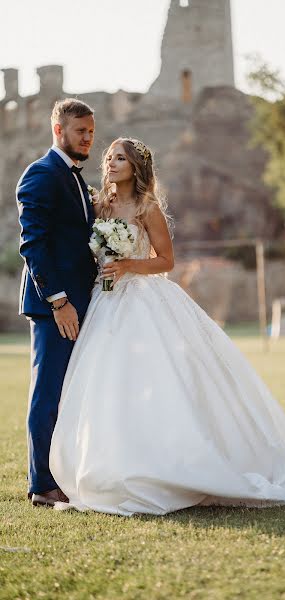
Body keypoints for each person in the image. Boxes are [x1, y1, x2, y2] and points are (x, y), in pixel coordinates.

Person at [49, 137, 285, 516]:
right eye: (109, 157)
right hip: (105, 302)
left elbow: (166, 261)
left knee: (164, 379)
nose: (111, 163)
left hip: (142, 300)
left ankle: (172, 463)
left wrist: (128, 265)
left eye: (121, 158)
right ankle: (110, 466)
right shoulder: (100, 203)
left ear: (136, 167)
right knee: (109, 382)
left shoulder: (147, 208)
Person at [17, 99, 97, 506]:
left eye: (90, 132)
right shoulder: (41, 174)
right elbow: (33, 245)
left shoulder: (76, 179)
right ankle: (43, 485)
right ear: (58, 130)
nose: (87, 138)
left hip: (85, 304)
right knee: (47, 393)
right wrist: (59, 301)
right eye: (80, 131)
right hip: (55, 308)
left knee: (70, 393)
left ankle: (66, 472)